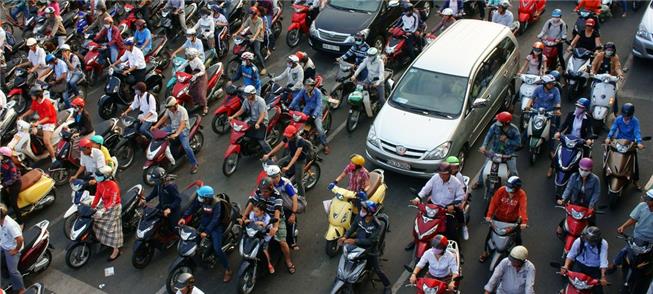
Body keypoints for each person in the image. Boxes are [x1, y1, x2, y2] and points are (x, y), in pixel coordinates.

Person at [241, 178, 296, 274]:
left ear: (271, 189)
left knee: (282, 241)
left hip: (275, 218)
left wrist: (275, 227)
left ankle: (288, 261)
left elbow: (277, 212)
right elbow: (252, 203)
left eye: (265, 192)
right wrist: (244, 216)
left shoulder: (277, 196)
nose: (263, 194)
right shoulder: (259, 191)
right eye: (262, 191)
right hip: (261, 215)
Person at [179, 186, 232, 282]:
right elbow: (192, 208)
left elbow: (215, 220)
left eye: (201, 197)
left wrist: (206, 231)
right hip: (204, 223)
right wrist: (184, 217)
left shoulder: (217, 203)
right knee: (193, 240)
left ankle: (228, 269)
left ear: (207, 198)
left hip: (216, 227)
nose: (199, 198)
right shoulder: (201, 201)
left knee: (217, 249)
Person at [339, 200, 391, 293]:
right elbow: (353, 227)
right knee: (347, 258)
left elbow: (371, 241)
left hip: (370, 249)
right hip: (358, 243)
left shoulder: (376, 225)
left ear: (370, 213)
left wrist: (354, 240)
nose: (361, 210)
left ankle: (387, 285)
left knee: (377, 269)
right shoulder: (359, 216)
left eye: (364, 209)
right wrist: (345, 237)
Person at [410, 163, 465, 244]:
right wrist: (418, 198)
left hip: (446, 209)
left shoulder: (456, 182)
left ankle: (458, 250)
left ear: (449, 173)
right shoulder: (436, 177)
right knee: (419, 222)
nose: (441, 176)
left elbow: (461, 196)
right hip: (432, 206)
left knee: (452, 231)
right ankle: (416, 240)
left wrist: (452, 205)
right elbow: (426, 189)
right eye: (440, 174)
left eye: (444, 174)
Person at [480, 176, 528, 262]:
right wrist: (489, 215)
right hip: (498, 218)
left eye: (511, 190)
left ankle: (520, 257)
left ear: (516, 189)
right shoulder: (502, 190)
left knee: (518, 239)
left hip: (512, 221)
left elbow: (522, 208)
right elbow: (493, 203)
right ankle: (485, 252)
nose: (509, 192)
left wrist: (524, 221)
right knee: (489, 235)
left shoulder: (521, 194)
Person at [473, 112, 520, 189]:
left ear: (506, 123)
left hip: (509, 153)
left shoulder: (514, 130)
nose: (497, 123)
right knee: (484, 167)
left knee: (513, 171)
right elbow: (488, 136)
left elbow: (518, 143)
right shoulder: (495, 126)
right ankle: (479, 182)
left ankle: (516, 186)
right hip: (495, 151)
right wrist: (484, 146)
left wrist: (507, 140)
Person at [152, 97, 199, 174]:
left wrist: (176, 133)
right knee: (159, 133)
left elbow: (182, 124)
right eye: (168, 108)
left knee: (186, 147)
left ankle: (194, 163)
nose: (169, 109)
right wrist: (155, 126)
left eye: (170, 107)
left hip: (183, 130)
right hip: (172, 127)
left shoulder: (182, 111)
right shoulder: (169, 109)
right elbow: (164, 118)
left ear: (175, 105)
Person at [612, 190, 653, 271]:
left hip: (651, 240)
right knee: (625, 250)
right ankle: (614, 264)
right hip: (638, 236)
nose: (646, 200)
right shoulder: (642, 206)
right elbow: (634, 218)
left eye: (649, 199)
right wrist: (623, 226)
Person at [606, 103, 644, 189]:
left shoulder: (635, 121)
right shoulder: (619, 119)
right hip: (618, 141)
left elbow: (637, 132)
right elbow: (613, 128)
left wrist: (639, 142)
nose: (626, 117)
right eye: (624, 115)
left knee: (634, 162)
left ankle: (635, 180)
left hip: (630, 143)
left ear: (631, 115)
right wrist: (608, 137)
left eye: (628, 116)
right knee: (609, 152)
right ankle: (607, 169)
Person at [262, 125, 308, 196]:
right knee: (277, 165)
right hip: (290, 156)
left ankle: (302, 198)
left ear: (294, 134)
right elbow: (279, 146)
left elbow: (296, 156)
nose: (287, 138)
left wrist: (288, 167)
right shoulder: (287, 138)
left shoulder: (300, 141)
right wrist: (268, 154)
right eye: (287, 136)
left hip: (300, 161)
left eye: (289, 136)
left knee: (299, 181)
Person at [562, 226, 609, 293]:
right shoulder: (579, 241)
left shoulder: (603, 244)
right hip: (579, 265)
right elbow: (571, 255)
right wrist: (566, 266)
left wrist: (603, 277)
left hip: (594, 269)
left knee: (598, 291)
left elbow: (603, 261)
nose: (587, 241)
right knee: (570, 285)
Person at [90, 165, 123, 261]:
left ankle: (116, 249)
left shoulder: (113, 185)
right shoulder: (100, 183)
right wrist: (92, 206)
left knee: (111, 228)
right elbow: (97, 195)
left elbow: (113, 201)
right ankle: (103, 240)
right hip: (104, 206)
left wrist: (104, 209)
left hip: (114, 207)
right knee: (94, 219)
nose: (96, 177)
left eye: (98, 175)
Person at [227, 85, 271, 154]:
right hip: (252, 119)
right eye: (246, 94)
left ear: (253, 94)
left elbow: (262, 115)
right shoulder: (246, 100)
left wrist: (257, 123)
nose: (246, 96)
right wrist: (232, 116)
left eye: (248, 95)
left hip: (261, 121)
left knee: (261, 141)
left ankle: (271, 155)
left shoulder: (260, 101)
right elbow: (241, 110)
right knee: (241, 131)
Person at [289, 79, 330, 153]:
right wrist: (290, 107)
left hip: (316, 112)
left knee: (319, 129)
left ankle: (325, 145)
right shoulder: (304, 90)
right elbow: (297, 98)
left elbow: (319, 105)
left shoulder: (318, 92)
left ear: (312, 86)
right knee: (299, 125)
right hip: (307, 110)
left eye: (308, 86)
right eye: (305, 85)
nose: (306, 87)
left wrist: (314, 115)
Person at [18, 86, 57, 162]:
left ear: (37, 96)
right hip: (41, 121)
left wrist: (38, 122)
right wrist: (22, 116)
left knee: (46, 141)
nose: (31, 96)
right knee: (32, 132)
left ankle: (54, 158)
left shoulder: (47, 103)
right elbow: (32, 110)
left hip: (49, 122)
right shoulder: (35, 101)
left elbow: (48, 118)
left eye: (32, 95)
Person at [266, 165, 300, 250]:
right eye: (272, 177)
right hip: (275, 208)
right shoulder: (268, 184)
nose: (275, 179)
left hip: (287, 209)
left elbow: (294, 198)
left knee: (290, 226)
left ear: (280, 174)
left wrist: (293, 214)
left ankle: (292, 242)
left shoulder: (285, 184)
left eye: (276, 176)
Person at [142, 167, 181, 233]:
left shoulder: (171, 186)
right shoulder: (158, 184)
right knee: (151, 216)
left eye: (155, 180)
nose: (154, 182)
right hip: (162, 205)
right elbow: (154, 193)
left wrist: (170, 209)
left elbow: (178, 199)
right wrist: (146, 199)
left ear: (161, 179)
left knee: (174, 228)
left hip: (172, 208)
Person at [590, 42, 624, 112]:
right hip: (599, 77)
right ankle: (590, 108)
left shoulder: (615, 57)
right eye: (608, 49)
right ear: (604, 49)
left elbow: (617, 67)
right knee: (592, 92)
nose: (609, 51)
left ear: (613, 51)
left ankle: (615, 112)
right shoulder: (599, 55)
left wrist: (620, 74)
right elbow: (593, 64)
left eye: (611, 50)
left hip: (610, 78)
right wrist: (592, 72)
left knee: (614, 95)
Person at [0, 204, 25, 294]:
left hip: (11, 248)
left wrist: (15, 250)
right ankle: (5, 275)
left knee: (13, 271)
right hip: (3, 245)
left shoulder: (10, 225)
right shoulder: (1, 222)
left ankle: (21, 289)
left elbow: (20, 239)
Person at [235, 7, 267, 75]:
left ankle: (263, 67)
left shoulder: (260, 20)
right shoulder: (249, 19)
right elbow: (243, 26)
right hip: (251, 36)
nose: (249, 15)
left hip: (258, 37)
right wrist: (236, 33)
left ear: (254, 14)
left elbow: (259, 29)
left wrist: (254, 38)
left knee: (257, 52)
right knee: (242, 44)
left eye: (251, 14)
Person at [246, 201, 275, 272]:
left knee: (264, 249)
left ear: (262, 212)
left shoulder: (267, 218)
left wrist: (263, 224)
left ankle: (269, 264)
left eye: (256, 211)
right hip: (254, 233)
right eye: (254, 210)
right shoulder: (252, 214)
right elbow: (251, 223)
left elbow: (269, 230)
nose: (254, 213)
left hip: (264, 236)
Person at [0, 147, 22, 225]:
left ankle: (21, 222)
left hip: (15, 184)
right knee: (4, 198)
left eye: (1, 154)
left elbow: (13, 178)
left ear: (5, 156)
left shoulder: (11, 164)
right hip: (7, 183)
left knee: (13, 203)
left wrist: (4, 184)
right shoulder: (3, 163)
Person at [184, 48, 209, 115]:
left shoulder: (198, 61)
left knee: (201, 92)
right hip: (194, 75)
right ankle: (196, 102)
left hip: (201, 76)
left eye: (189, 56)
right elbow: (183, 65)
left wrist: (196, 75)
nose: (188, 57)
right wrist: (177, 70)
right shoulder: (189, 60)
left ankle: (205, 107)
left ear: (192, 56)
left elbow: (203, 71)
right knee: (190, 89)